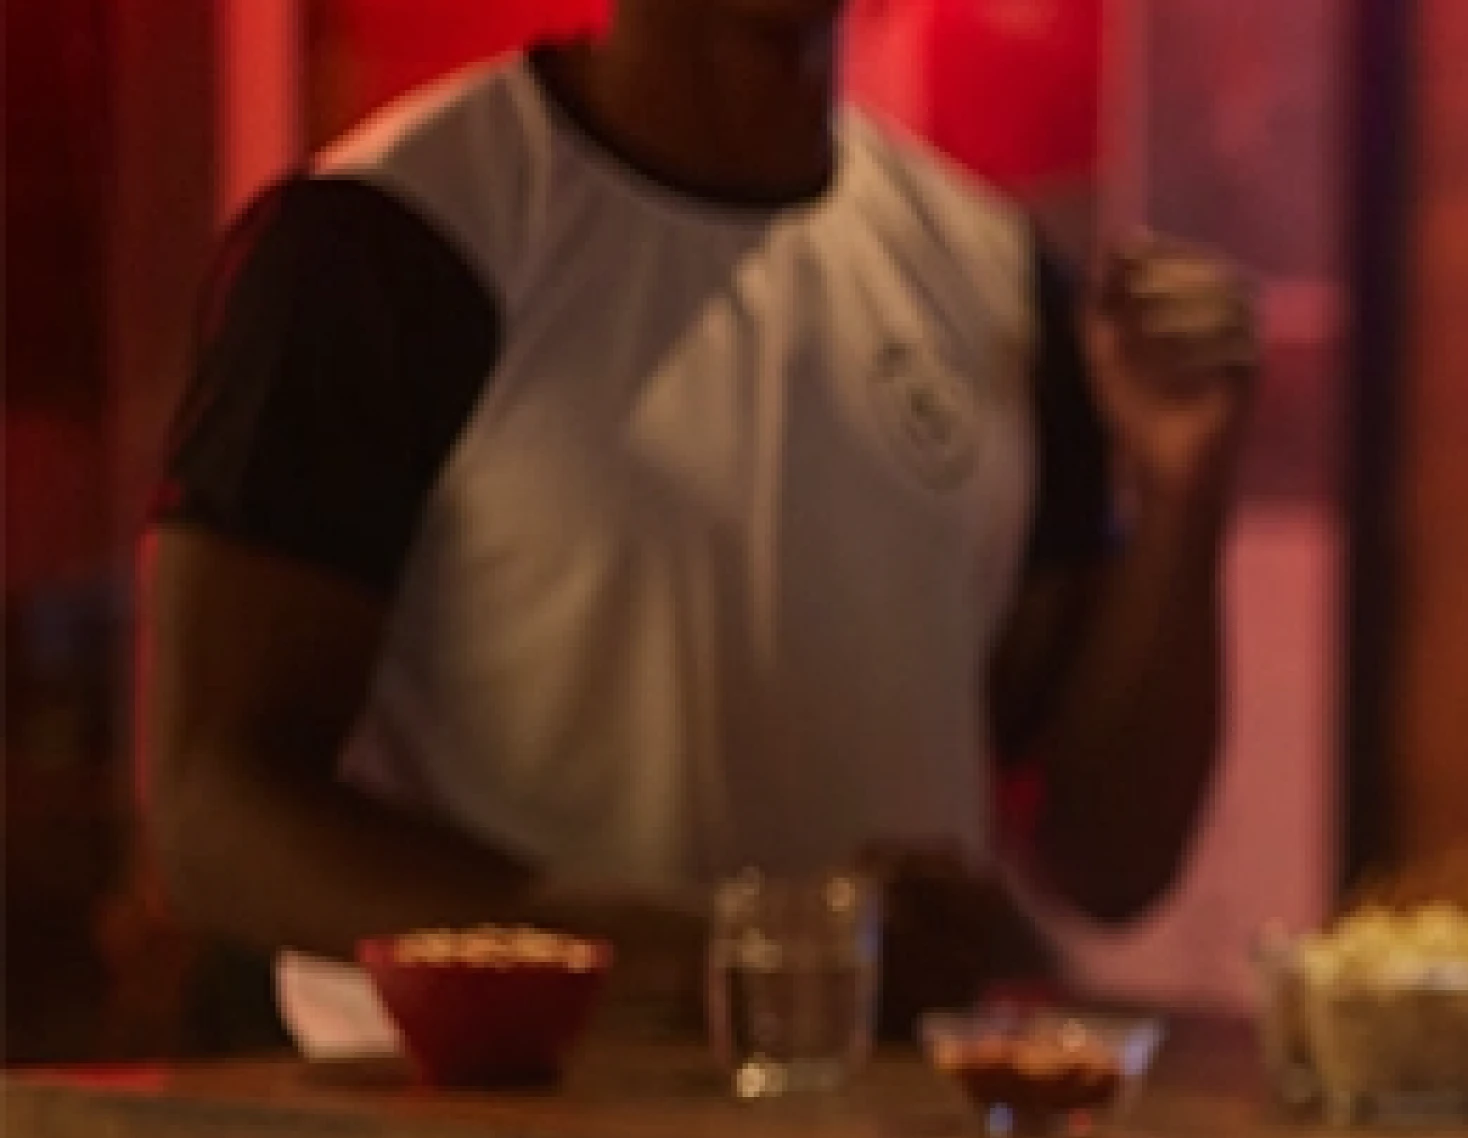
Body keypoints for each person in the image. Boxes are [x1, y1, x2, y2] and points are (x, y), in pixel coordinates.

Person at [142, 0, 1255, 1055]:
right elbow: (214, 816)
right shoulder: (395, 239)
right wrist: (715, 956)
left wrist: (1182, 495)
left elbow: (1111, 855)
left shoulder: (991, 274)